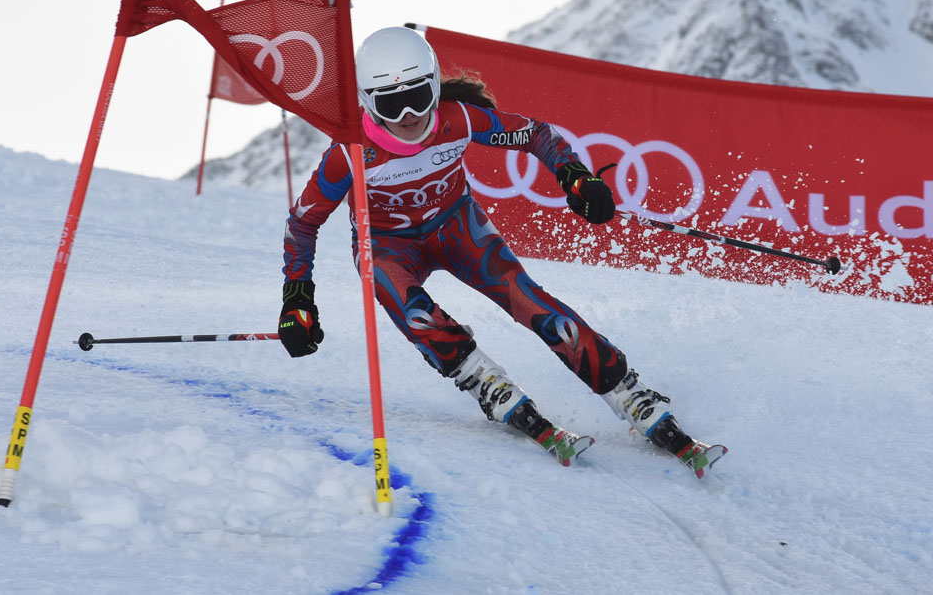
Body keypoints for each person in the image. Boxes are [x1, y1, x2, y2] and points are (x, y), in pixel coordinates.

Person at [276, 26, 723, 475]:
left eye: (420, 95)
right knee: (413, 310)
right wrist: (298, 296)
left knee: (526, 297)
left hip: (456, 227)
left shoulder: (459, 120)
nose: (410, 114)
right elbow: (303, 224)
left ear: (434, 85)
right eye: (392, 104)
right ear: (369, 103)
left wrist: (575, 176)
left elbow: (535, 135)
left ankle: (625, 389)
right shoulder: (349, 155)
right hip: (388, 245)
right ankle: (482, 380)